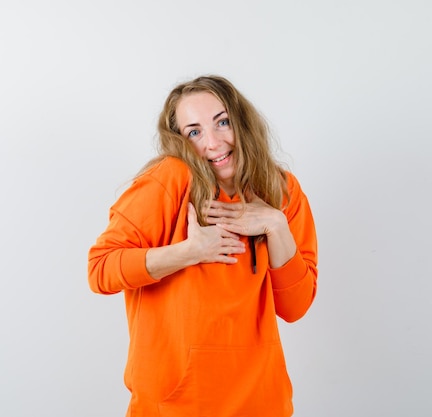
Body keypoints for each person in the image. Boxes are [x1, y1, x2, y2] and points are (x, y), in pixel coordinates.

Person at [88, 75, 318, 417]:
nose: (213, 143)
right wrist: (189, 252)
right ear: (179, 140)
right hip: (176, 405)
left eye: (222, 122)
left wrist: (275, 224)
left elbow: (295, 307)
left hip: (262, 402)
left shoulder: (281, 189)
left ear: (242, 120)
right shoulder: (168, 179)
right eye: (194, 132)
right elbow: (100, 269)